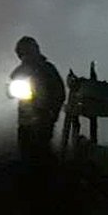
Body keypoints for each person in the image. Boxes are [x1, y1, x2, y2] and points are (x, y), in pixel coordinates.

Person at [8, 36, 65, 168]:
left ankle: (47, 175)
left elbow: (59, 93)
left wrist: (52, 113)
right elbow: (12, 87)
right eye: (23, 53)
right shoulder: (21, 71)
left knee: (41, 152)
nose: (25, 56)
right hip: (26, 119)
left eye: (27, 51)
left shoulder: (48, 69)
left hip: (43, 117)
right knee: (26, 151)